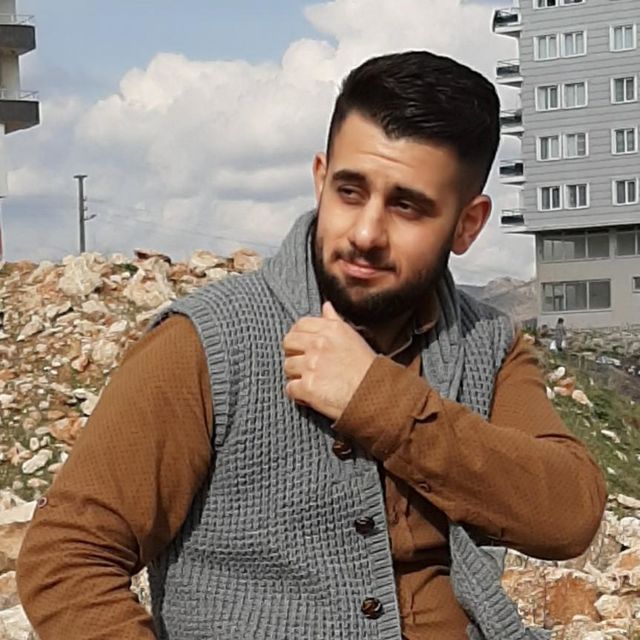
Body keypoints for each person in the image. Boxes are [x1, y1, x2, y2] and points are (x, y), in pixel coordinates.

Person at [16, 51, 606, 640]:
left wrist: (380, 402)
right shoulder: (210, 342)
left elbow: (568, 515)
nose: (366, 233)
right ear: (321, 178)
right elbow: (67, 557)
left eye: (407, 206)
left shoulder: (487, 344)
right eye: (350, 191)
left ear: (467, 225)